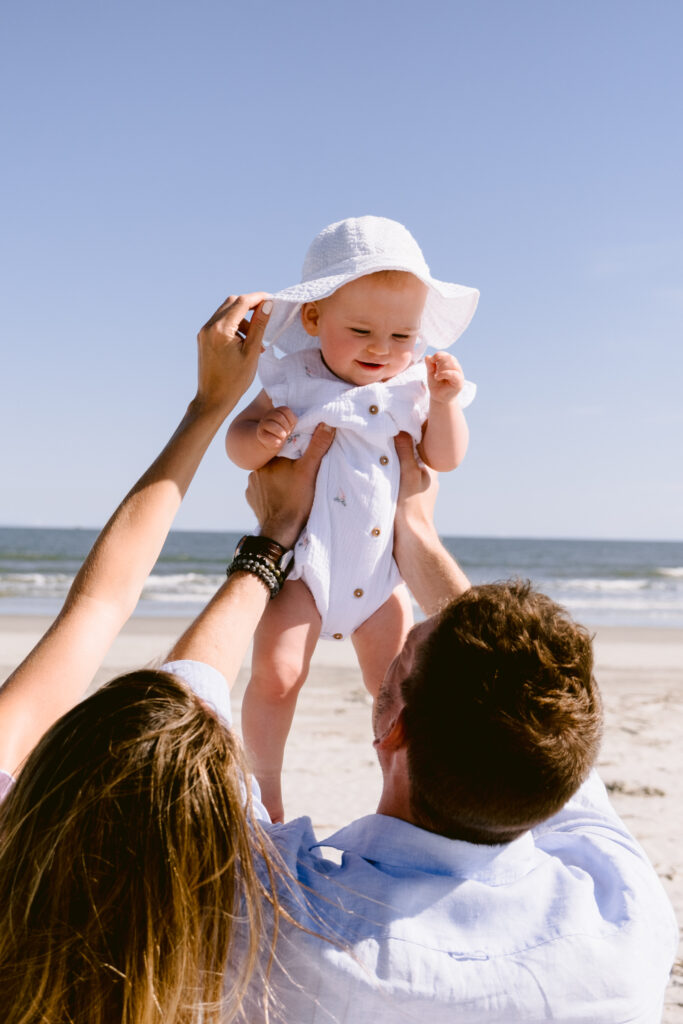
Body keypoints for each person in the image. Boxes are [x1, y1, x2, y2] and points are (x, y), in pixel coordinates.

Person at [0, 294, 677, 1023]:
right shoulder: (628, 911)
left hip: (314, 556)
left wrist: (257, 505)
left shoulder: (275, 926)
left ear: (391, 725)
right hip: (337, 569)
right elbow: (528, 709)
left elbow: (128, 648)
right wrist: (415, 529)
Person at [0, 292, 334, 1024]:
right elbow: (117, 626)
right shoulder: (230, 978)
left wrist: (208, 408)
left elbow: (96, 607)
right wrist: (274, 537)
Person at [226, 214, 480, 821]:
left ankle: (404, 786)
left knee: (397, 689)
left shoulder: (416, 385)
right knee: (278, 675)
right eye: (362, 330)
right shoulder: (293, 377)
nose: (382, 349)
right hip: (302, 571)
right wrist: (260, 435)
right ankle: (266, 788)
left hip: (383, 574)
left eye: (402, 336)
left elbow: (444, 458)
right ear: (313, 319)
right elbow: (237, 450)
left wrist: (443, 406)